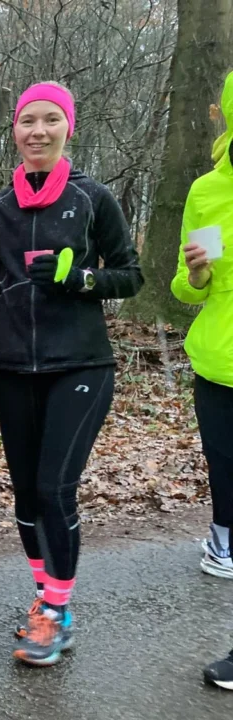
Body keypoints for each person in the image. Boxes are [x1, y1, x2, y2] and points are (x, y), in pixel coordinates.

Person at [0, 82, 143, 667]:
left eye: (51, 120)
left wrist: (82, 279)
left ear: (67, 127)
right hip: (14, 368)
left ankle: (56, 612)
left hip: (81, 365)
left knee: (54, 489)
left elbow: (130, 275)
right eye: (28, 121)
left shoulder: (93, 198)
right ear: (15, 131)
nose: (38, 131)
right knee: (25, 497)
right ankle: (47, 598)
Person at [172, 72, 233, 688]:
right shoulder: (208, 192)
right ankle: (222, 538)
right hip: (219, 364)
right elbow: (188, 289)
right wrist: (194, 272)